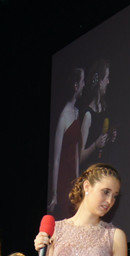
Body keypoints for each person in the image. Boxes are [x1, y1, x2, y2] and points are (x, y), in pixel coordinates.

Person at [50, 67, 85, 219]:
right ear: (76, 85)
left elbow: (76, 149)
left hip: (72, 178)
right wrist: (54, 194)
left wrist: (77, 179)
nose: (84, 85)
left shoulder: (77, 112)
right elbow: (56, 160)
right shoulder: (63, 117)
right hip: (62, 179)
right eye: (82, 81)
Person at [79, 59, 117, 172]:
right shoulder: (88, 115)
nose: (108, 82)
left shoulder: (103, 108)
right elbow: (79, 157)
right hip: (90, 174)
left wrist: (108, 138)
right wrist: (95, 145)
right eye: (107, 78)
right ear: (100, 82)